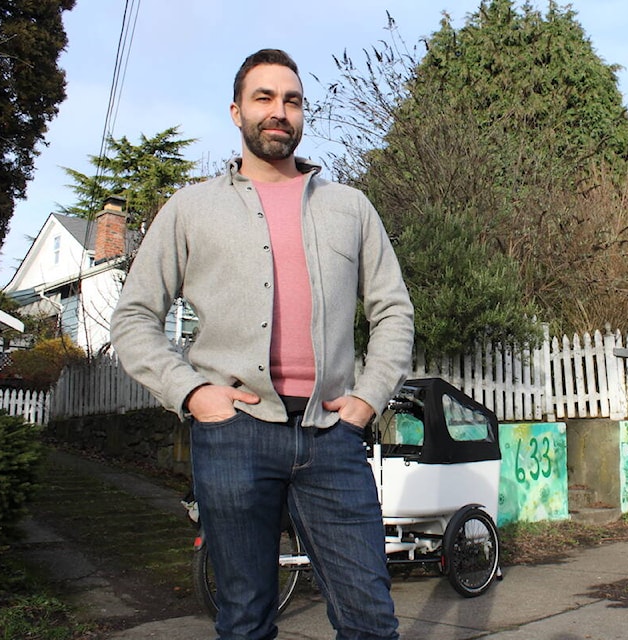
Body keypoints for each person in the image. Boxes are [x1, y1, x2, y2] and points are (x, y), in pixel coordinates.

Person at [111, 48, 413, 640]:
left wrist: (369, 398)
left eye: (292, 100)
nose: (280, 111)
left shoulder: (349, 206)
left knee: (371, 619)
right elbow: (134, 317)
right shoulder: (190, 209)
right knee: (245, 619)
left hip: (332, 436)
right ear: (236, 111)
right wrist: (194, 393)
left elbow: (393, 309)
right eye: (265, 98)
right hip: (234, 436)